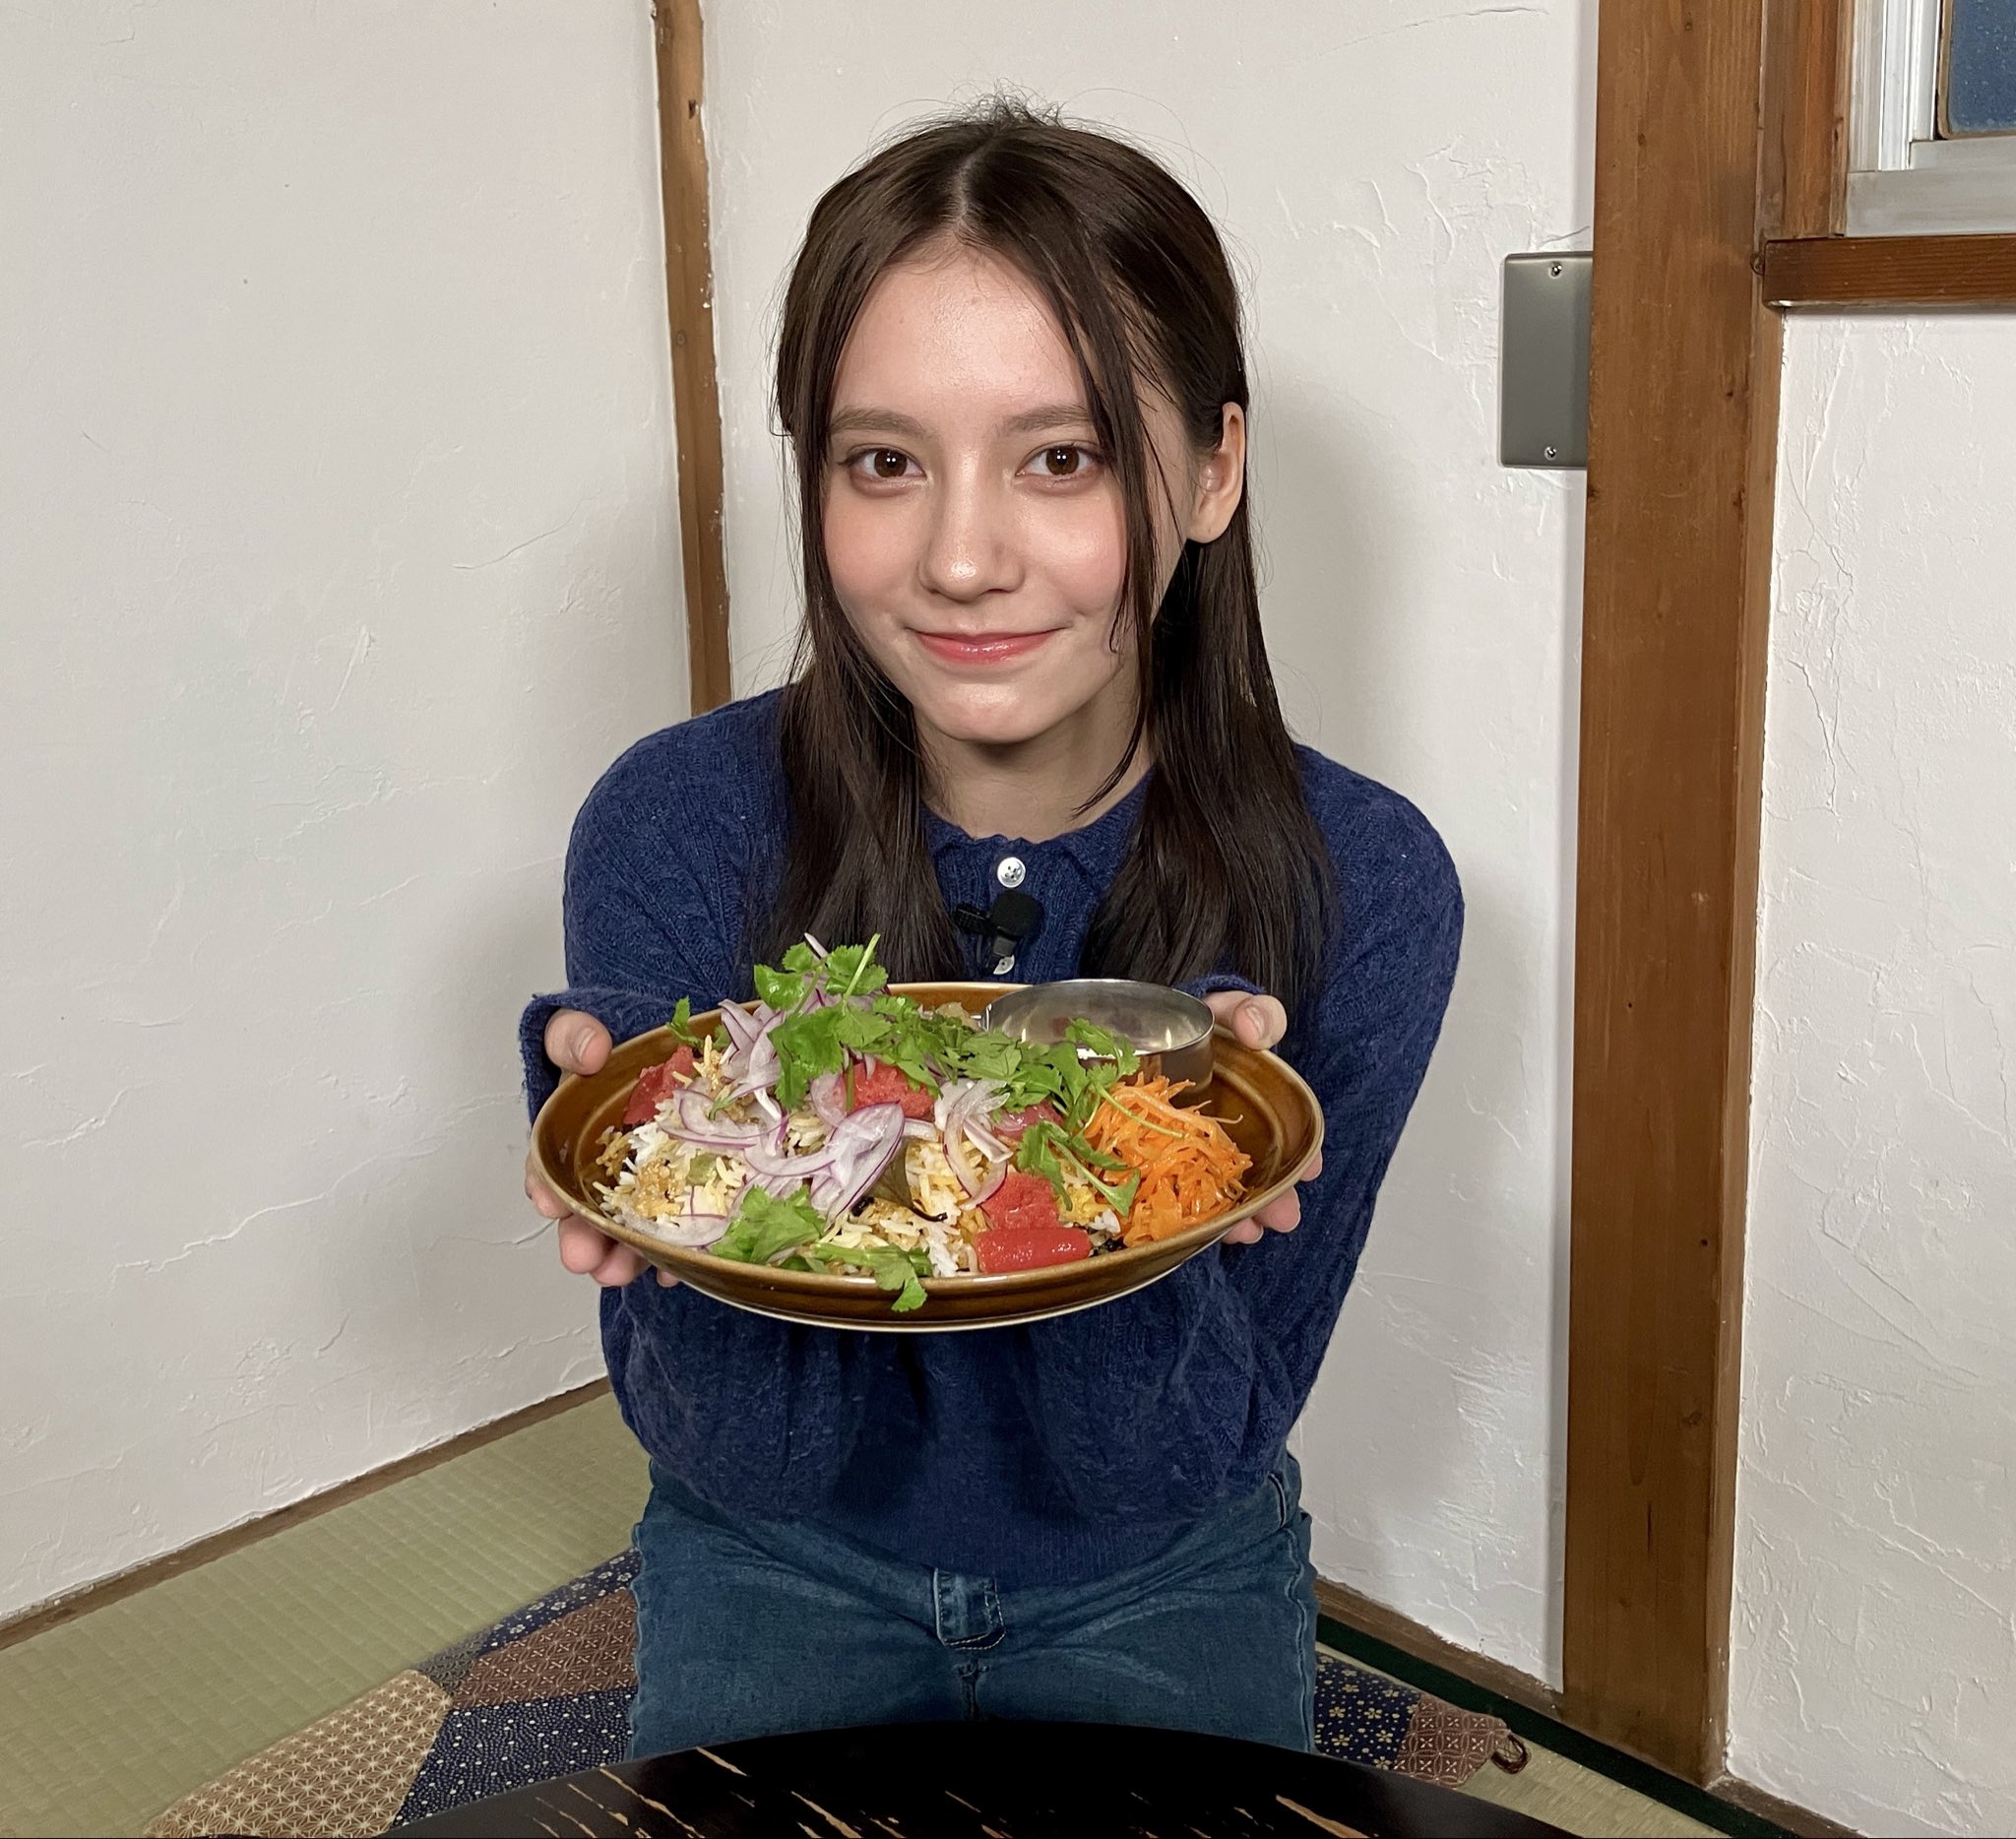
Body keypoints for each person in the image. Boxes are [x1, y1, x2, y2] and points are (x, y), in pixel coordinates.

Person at [520, 98, 1461, 1760]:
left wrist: (1151, 1123)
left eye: (1062, 458)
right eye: (883, 462)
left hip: (1163, 1569)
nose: (960, 559)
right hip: (774, 1557)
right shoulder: (674, 821)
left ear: (1214, 469)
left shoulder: (1364, 881)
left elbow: (1160, 1466)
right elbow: (753, 1458)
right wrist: (692, 1154)